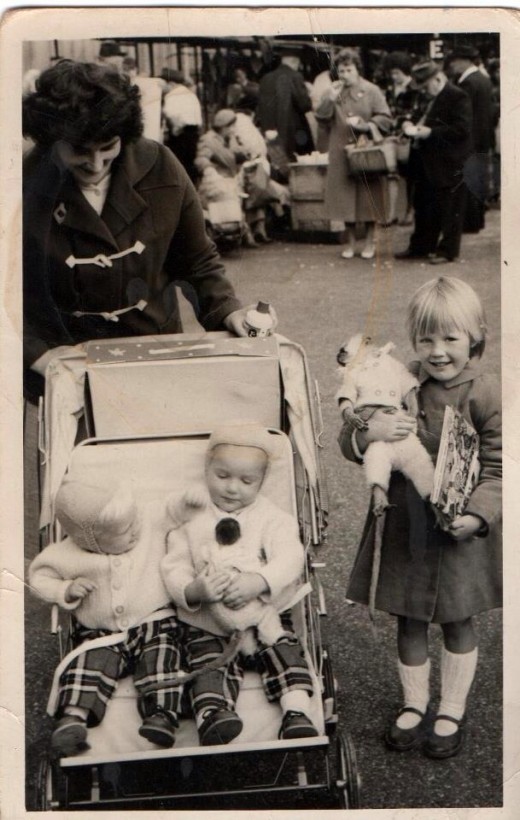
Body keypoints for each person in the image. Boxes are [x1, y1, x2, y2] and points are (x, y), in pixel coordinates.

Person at [22, 61, 263, 401]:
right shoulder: (21, 184)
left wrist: (228, 310)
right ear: (49, 141)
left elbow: (197, 262)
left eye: (108, 146)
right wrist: (39, 356)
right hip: (61, 363)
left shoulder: (161, 165)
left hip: (153, 352)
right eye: (79, 150)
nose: (95, 164)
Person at [338, 276, 501, 759]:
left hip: (459, 533)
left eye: (450, 338)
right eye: (426, 338)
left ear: (476, 336)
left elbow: (500, 467)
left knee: (457, 621)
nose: (437, 351)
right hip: (407, 527)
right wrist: (371, 431)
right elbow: (353, 437)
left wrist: (478, 515)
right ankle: (415, 703)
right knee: (408, 619)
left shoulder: (488, 393)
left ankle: (451, 706)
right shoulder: (400, 380)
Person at [161, 425, 319, 746]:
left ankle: (296, 711)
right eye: (222, 476)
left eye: (247, 482)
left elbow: (290, 556)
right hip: (209, 623)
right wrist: (194, 591)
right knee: (206, 663)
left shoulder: (272, 518)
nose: (233, 489)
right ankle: (214, 715)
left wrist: (259, 581)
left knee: (283, 650)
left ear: (262, 481)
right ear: (206, 469)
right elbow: (174, 565)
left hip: (262, 617)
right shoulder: (192, 518)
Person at [28, 481, 185, 756]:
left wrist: (189, 502)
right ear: (91, 540)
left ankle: (162, 714)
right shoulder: (68, 553)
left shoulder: (146, 524)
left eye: (135, 520)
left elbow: (170, 511)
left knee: (162, 657)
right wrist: (65, 589)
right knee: (87, 663)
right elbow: (38, 577)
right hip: (101, 632)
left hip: (154, 621)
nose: (136, 529)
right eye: (125, 530)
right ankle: (73, 718)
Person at [315, 48, 393, 260]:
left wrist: (367, 125)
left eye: (349, 70)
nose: (345, 75)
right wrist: (329, 99)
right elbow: (321, 119)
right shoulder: (333, 91)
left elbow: (386, 117)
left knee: (369, 196)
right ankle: (349, 242)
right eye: (341, 71)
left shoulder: (371, 90)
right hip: (340, 148)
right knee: (344, 197)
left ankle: (369, 242)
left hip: (365, 148)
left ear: (357, 69)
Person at [396, 60, 472, 264]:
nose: (424, 91)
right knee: (424, 206)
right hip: (425, 161)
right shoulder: (428, 96)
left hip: (449, 162)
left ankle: (448, 251)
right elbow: (417, 115)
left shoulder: (457, 96)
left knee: (450, 208)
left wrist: (430, 132)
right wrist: (408, 123)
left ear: (438, 80)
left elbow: (462, 130)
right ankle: (421, 246)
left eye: (426, 86)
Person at [447, 44, 494, 233]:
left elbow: (464, 114)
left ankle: (471, 222)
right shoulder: (483, 79)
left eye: (455, 62)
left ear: (465, 61)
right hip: (483, 136)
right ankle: (477, 220)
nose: (453, 66)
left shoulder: (467, 83)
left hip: (470, 138)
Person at [257, 47, 314, 161]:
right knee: (300, 161)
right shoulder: (295, 76)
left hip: (270, 130)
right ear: (295, 62)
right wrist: (310, 93)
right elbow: (305, 105)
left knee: (276, 160)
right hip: (294, 132)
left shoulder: (266, 78)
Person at [161, 67, 203, 182]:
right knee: (190, 161)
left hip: (181, 134)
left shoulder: (172, 96)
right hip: (193, 132)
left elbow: (170, 114)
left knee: (179, 163)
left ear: (171, 83)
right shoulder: (191, 94)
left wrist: (175, 129)